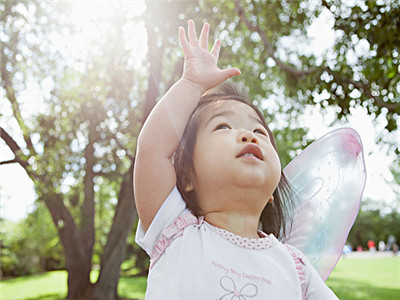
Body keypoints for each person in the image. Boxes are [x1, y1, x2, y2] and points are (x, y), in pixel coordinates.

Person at [134, 20, 338, 299]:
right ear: (186, 178)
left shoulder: (296, 269)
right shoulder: (173, 230)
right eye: (223, 127)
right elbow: (152, 150)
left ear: (272, 195)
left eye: (259, 131)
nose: (247, 135)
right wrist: (191, 85)